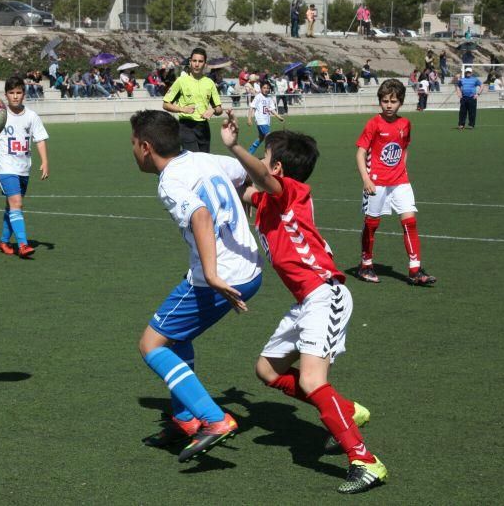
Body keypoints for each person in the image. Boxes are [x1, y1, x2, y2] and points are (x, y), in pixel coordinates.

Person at [219, 112, 388, 494]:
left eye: (264, 157)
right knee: (267, 370)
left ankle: (365, 461)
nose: (259, 162)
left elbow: (260, 180)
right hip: (306, 302)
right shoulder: (265, 200)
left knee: (312, 380)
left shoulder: (290, 190)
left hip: (325, 294)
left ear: (277, 168)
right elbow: (238, 188)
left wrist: (231, 146)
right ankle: (346, 410)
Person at [130, 109, 262, 463]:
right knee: (178, 337)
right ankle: (184, 419)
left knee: (151, 344)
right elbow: (247, 174)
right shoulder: (206, 159)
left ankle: (214, 420)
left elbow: (200, 215)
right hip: (249, 268)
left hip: (220, 278)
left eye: (132, 144)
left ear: (145, 146)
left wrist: (212, 274)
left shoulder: (170, 181)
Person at [355, 79, 436, 286]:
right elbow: (361, 152)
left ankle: (415, 270)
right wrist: (366, 179)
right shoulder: (373, 123)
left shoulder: (405, 124)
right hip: (376, 182)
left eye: (393, 101)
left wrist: (402, 169)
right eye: (385, 101)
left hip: (400, 181)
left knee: (410, 222)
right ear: (380, 102)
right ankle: (365, 265)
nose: (389, 105)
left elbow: (404, 148)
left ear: (401, 102)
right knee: (372, 224)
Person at [0, 75, 49, 259]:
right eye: (11, 93)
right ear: (6, 95)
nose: (15, 96)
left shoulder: (32, 116)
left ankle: (4, 241)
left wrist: (45, 161)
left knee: (12, 207)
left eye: (19, 92)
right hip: (5, 167)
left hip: (24, 167)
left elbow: (39, 139)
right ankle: (23, 244)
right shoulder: (0, 117)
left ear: (24, 94)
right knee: (17, 203)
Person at [163, 47, 223, 153]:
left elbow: (219, 109)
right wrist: (182, 109)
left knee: (204, 160)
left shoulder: (210, 83)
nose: (197, 64)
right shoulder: (181, 81)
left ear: (205, 64)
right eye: (194, 61)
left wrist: (213, 110)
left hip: (203, 127)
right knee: (194, 158)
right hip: (186, 126)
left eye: (200, 61)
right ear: (190, 62)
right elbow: (166, 104)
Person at [248, 80, 285, 155]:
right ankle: (270, 156)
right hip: (261, 121)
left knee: (261, 138)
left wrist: (279, 117)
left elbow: (272, 109)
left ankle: (249, 153)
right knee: (269, 138)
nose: (266, 89)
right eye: (264, 88)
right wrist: (249, 119)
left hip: (266, 121)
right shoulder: (258, 97)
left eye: (268, 88)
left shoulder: (269, 98)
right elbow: (251, 107)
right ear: (261, 89)